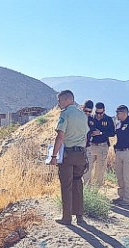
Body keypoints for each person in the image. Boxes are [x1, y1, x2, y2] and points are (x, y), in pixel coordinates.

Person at [50, 90, 88, 225]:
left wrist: (54, 156)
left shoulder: (65, 115)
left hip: (68, 154)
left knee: (66, 185)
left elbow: (60, 136)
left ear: (66, 100)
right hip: (81, 154)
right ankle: (80, 216)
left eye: (59, 101)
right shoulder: (82, 115)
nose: (58, 103)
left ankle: (66, 217)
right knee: (78, 183)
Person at [85, 102, 116, 187]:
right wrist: (90, 134)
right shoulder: (90, 118)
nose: (98, 115)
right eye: (97, 113)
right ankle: (86, 188)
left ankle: (96, 190)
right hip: (91, 145)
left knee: (100, 169)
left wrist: (101, 133)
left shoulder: (108, 119)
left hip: (102, 146)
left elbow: (112, 133)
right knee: (87, 168)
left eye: (100, 113)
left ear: (104, 111)